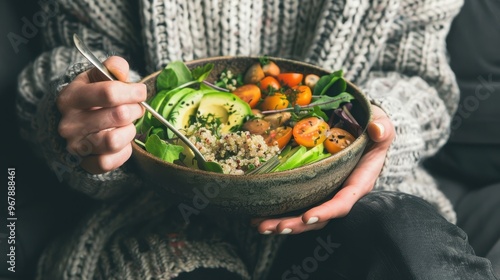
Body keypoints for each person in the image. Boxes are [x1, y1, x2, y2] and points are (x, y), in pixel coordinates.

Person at [15, 0, 498, 279]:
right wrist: (84, 118)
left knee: (413, 252)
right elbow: (70, 69)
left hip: (354, 198)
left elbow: (419, 79)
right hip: (154, 215)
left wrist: (378, 130)